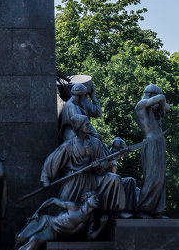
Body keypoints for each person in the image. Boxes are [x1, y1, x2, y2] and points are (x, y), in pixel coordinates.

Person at [41, 114, 127, 215]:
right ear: (79, 127)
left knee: (114, 179)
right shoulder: (68, 146)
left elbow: (104, 162)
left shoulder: (96, 143)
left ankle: (117, 211)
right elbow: (52, 160)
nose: (90, 125)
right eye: (87, 124)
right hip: (74, 178)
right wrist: (45, 179)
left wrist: (99, 165)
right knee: (62, 207)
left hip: (93, 178)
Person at [1, 192, 102, 250]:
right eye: (94, 198)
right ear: (86, 198)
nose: (97, 200)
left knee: (35, 239)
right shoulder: (74, 207)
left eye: (98, 199)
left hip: (55, 232)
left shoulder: (90, 219)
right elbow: (52, 200)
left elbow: (91, 236)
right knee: (20, 237)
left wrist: (102, 225)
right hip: (47, 221)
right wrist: (38, 212)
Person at [135, 84, 170, 217]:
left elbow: (167, 106)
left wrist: (160, 106)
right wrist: (160, 100)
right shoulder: (141, 104)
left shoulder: (152, 109)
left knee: (160, 178)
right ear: (151, 95)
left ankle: (155, 209)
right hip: (150, 141)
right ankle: (144, 208)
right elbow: (162, 97)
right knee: (152, 177)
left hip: (158, 141)